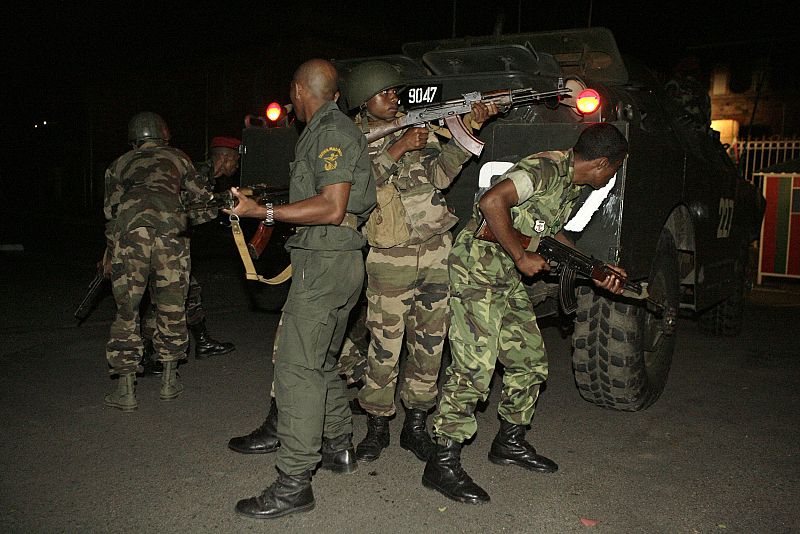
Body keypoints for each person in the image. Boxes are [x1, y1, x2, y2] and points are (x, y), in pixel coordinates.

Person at [422, 123, 630, 504]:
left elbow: (550, 238)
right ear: (602, 164)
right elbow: (491, 203)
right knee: (473, 369)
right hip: (477, 271)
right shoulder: (545, 169)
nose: (611, 178)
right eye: (614, 170)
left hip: (504, 277)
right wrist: (521, 256)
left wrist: (596, 268)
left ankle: (509, 442)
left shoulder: (569, 183)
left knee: (529, 361)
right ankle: (442, 462)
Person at [226, 58, 375, 519]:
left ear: (297, 90)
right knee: (322, 362)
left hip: (326, 265)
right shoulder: (327, 129)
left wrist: (262, 213)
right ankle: (338, 446)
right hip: (334, 261)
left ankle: (294, 482)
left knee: (295, 371)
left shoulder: (330, 131)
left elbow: (331, 207)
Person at [341, 60, 499, 464]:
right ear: (363, 100)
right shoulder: (351, 138)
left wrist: (470, 131)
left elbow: (441, 176)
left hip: (435, 249)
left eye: (395, 92)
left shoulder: (413, 128)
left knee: (430, 344)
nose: (393, 98)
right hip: (389, 256)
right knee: (384, 346)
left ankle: (415, 424)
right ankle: (377, 425)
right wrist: (398, 148)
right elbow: (356, 189)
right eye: (384, 93)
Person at [103, 112, 213, 411]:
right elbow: (204, 206)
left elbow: (111, 213)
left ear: (133, 138)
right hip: (171, 235)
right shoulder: (179, 158)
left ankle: (125, 390)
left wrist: (111, 252)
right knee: (172, 306)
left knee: (127, 310)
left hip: (131, 236)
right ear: (163, 135)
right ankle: (168, 381)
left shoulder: (118, 164)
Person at [140, 136, 240, 375]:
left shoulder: (204, 174)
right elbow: (192, 211)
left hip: (171, 243)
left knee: (190, 292)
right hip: (165, 244)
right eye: (235, 160)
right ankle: (144, 352)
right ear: (225, 158)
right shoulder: (199, 175)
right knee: (164, 298)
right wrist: (225, 204)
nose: (237, 165)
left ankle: (202, 341)